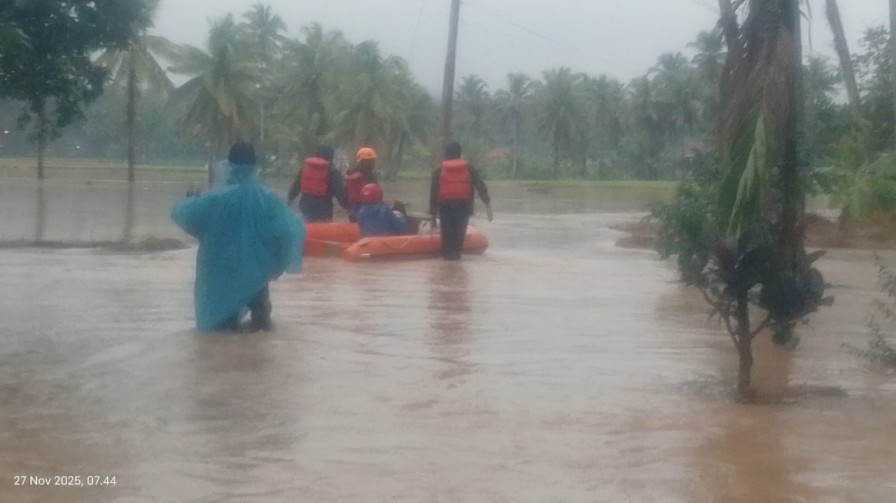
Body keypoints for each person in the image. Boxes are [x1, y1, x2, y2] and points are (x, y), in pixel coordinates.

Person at [172, 141, 305, 332]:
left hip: (222, 274)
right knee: (262, 327)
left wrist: (192, 199)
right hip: (257, 274)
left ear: (229, 164)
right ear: (254, 165)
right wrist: (279, 262)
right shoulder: (267, 199)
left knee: (223, 331)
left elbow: (182, 214)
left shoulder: (214, 199)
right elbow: (292, 230)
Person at [429, 141, 493, 260]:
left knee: (447, 238)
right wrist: (487, 204)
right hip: (464, 206)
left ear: (446, 154)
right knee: (458, 238)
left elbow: (433, 194)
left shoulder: (439, 170)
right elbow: (480, 186)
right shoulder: (468, 168)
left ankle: (447, 264)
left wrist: (433, 215)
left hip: (445, 207)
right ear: (460, 154)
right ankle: (456, 262)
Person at [287, 145, 349, 222]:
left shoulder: (305, 169)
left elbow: (295, 186)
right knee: (323, 232)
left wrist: (290, 199)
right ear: (331, 156)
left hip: (305, 206)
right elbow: (340, 193)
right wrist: (348, 206)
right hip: (323, 208)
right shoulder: (332, 171)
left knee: (307, 229)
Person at [344, 147, 379, 222]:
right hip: (368, 212)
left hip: (354, 211)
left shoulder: (350, 173)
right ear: (368, 161)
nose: (374, 163)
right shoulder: (370, 175)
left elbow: (346, 191)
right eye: (373, 160)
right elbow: (377, 194)